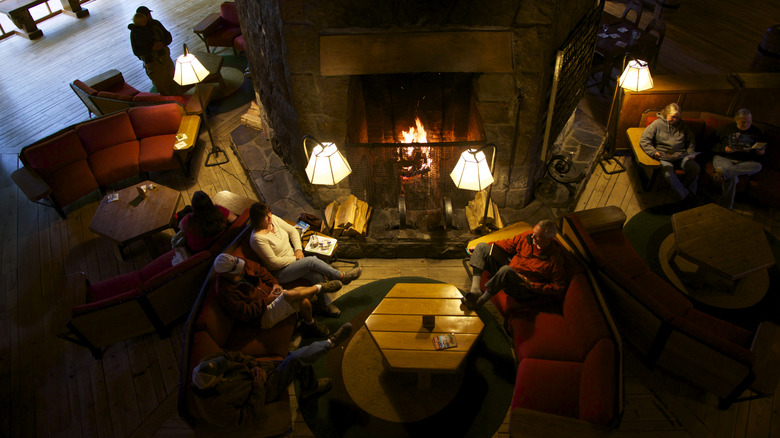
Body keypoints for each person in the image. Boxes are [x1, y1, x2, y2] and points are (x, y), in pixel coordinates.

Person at [190, 322, 353, 429]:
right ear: (214, 383)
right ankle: (330, 343)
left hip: (259, 369)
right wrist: (258, 386)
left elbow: (232, 355)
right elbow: (246, 417)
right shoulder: (214, 409)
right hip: (264, 390)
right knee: (295, 359)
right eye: (222, 371)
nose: (224, 367)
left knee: (297, 359)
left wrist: (253, 365)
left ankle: (310, 387)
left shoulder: (208, 363)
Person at [249, 203, 362, 318]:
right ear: (258, 220)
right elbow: (274, 261)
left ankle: (325, 305)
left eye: (269, 213)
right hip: (280, 271)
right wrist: (296, 258)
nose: (269, 217)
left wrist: (298, 250)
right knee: (311, 261)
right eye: (265, 216)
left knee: (316, 276)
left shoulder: (273, 220)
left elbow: (293, 231)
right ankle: (342, 276)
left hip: (294, 260)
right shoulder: (257, 238)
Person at [213, 253, 338, 338]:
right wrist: (267, 300)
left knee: (304, 302)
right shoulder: (225, 291)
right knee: (290, 294)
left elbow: (261, 270)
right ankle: (320, 287)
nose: (241, 270)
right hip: (262, 316)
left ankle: (310, 324)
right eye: (236, 271)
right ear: (225, 274)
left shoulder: (240, 263)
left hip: (271, 295)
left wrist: (275, 284)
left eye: (239, 266)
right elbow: (247, 314)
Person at [461, 219, 568, 311]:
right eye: (533, 233)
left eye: (537, 236)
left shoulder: (555, 260)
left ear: (549, 239)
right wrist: (487, 246)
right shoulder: (528, 236)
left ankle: (479, 302)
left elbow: (559, 287)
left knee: (506, 270)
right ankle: (475, 290)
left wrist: (531, 284)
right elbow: (508, 244)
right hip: (508, 270)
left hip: (522, 288)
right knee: (481, 247)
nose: (532, 236)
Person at [640, 103, 701, 207]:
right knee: (668, 174)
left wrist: (691, 153)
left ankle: (689, 193)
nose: (675, 120)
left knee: (695, 168)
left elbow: (691, 140)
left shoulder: (682, 125)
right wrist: (654, 152)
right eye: (673, 117)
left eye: (677, 117)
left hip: (681, 156)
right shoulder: (657, 124)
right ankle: (686, 198)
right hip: (664, 156)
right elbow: (644, 140)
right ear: (666, 114)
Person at [710, 108, 767, 209]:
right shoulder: (725, 128)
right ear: (736, 120)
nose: (746, 124)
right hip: (724, 158)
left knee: (758, 166)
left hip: (744, 163)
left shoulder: (756, 132)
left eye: (749, 122)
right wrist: (724, 148)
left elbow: (762, 152)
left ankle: (723, 173)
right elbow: (710, 144)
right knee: (732, 177)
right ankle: (727, 207)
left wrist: (760, 152)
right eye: (743, 122)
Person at [128, 6, 181, 95]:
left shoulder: (156, 24)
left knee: (173, 80)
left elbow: (168, 37)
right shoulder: (135, 33)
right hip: (153, 63)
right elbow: (137, 51)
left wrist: (162, 43)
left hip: (165, 58)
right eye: (148, 15)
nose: (150, 16)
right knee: (161, 86)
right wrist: (151, 48)